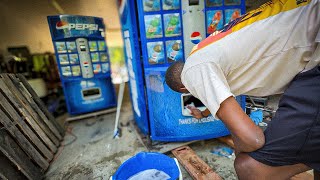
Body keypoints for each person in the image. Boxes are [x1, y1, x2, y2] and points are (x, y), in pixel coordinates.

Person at [165, 0, 320, 179]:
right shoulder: (202, 52)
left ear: (185, 87)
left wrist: (239, 140)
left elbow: (253, 139)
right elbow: (215, 103)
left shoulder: (194, 71)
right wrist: (202, 113)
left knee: (248, 167)